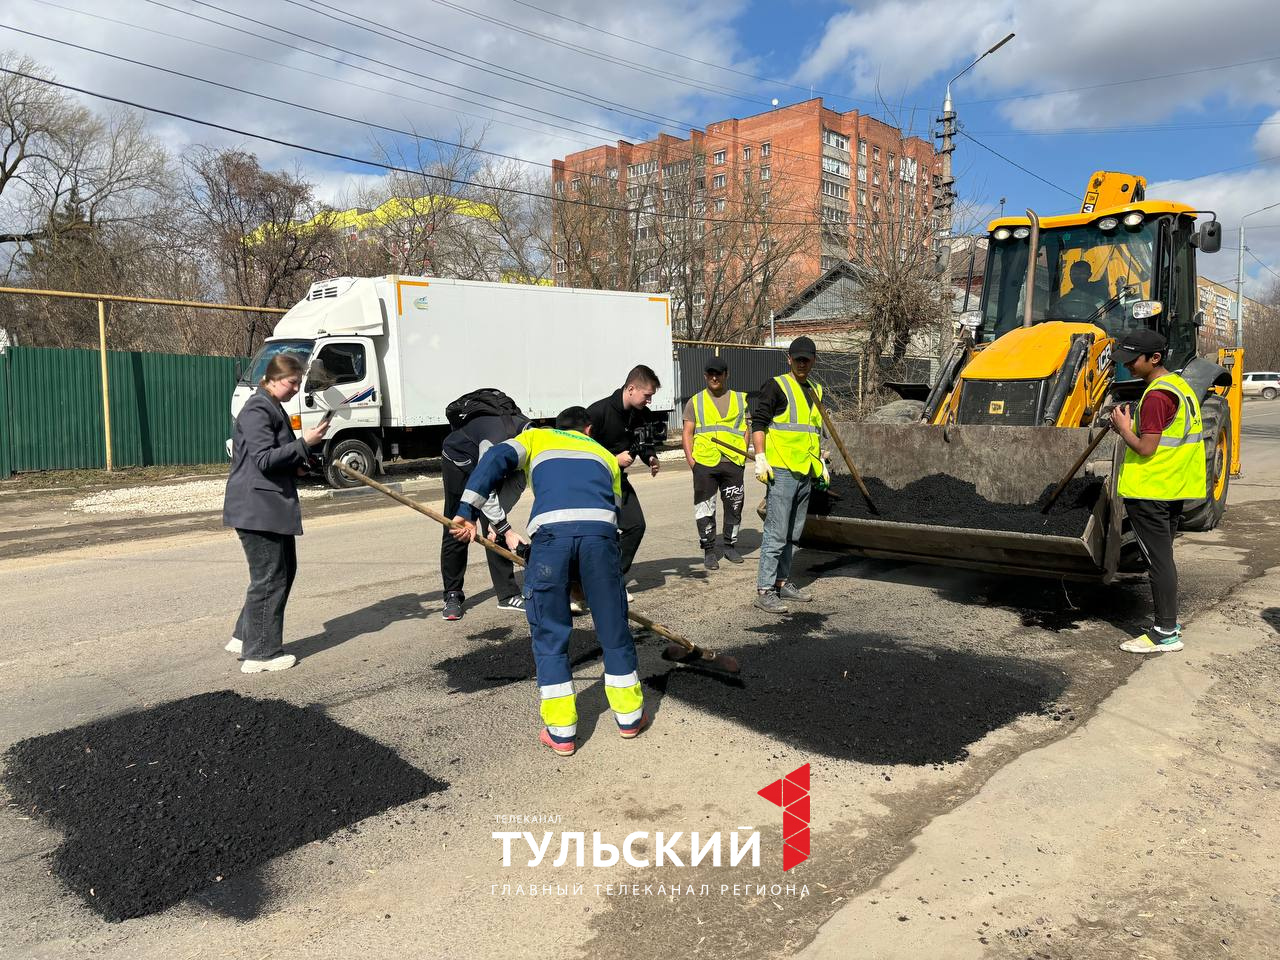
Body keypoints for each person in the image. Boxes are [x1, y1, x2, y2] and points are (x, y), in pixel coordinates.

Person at [450, 406, 648, 756]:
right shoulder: (603, 454)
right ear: (588, 428)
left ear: (557, 425)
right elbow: (606, 515)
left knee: (550, 636)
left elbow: (496, 457)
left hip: (550, 543)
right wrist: (586, 581)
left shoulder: (536, 437)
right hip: (600, 542)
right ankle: (630, 718)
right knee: (614, 630)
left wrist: (466, 509)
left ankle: (561, 733)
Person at [223, 353, 330, 673]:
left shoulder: (270, 405)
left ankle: (245, 636)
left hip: (265, 505)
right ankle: (261, 653)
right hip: (258, 508)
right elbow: (264, 460)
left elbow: (274, 458)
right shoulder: (258, 408)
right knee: (271, 577)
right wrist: (304, 442)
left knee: (278, 572)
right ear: (272, 379)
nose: (297, 389)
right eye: (292, 382)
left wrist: (301, 459)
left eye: (299, 382)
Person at [1110, 328, 1206, 654]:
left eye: (1132, 360)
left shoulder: (1155, 397)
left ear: (1155, 358)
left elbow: (1146, 447)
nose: (1128, 366)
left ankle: (1165, 633)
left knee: (1158, 563)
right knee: (1164, 560)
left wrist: (1124, 428)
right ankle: (1170, 624)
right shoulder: (1179, 387)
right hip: (1172, 487)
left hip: (1151, 490)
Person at [750, 336, 829, 614]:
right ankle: (764, 590)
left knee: (793, 534)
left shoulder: (816, 390)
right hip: (782, 470)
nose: (802, 364)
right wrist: (760, 457)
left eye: (807, 359)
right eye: (798, 359)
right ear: (789, 359)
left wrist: (821, 460)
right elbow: (758, 422)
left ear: (814, 360)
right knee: (776, 532)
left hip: (805, 471)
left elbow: (813, 432)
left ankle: (783, 582)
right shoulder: (776, 386)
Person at [440, 397, 530, 621]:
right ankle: (453, 595)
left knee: (496, 521)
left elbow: (517, 483)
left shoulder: (532, 442)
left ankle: (508, 595)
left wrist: (498, 523)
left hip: (488, 462)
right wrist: (503, 526)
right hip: (459, 461)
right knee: (457, 524)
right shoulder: (497, 441)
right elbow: (484, 485)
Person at [586, 365, 662, 591]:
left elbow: (643, 443)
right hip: (592, 482)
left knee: (636, 526)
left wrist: (650, 457)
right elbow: (581, 450)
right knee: (596, 535)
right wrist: (612, 459)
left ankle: (611, 579)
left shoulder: (642, 415)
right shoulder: (597, 412)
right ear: (631, 388)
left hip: (619, 481)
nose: (649, 401)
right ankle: (582, 583)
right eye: (647, 395)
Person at [681, 357, 748, 570]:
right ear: (705, 375)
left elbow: (745, 429)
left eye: (718, 373)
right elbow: (687, 433)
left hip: (733, 463)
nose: (714, 377)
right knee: (704, 508)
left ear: (726, 375)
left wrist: (742, 455)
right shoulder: (696, 401)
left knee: (734, 506)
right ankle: (709, 550)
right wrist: (692, 461)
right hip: (705, 464)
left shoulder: (740, 399)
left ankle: (729, 546)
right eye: (710, 373)